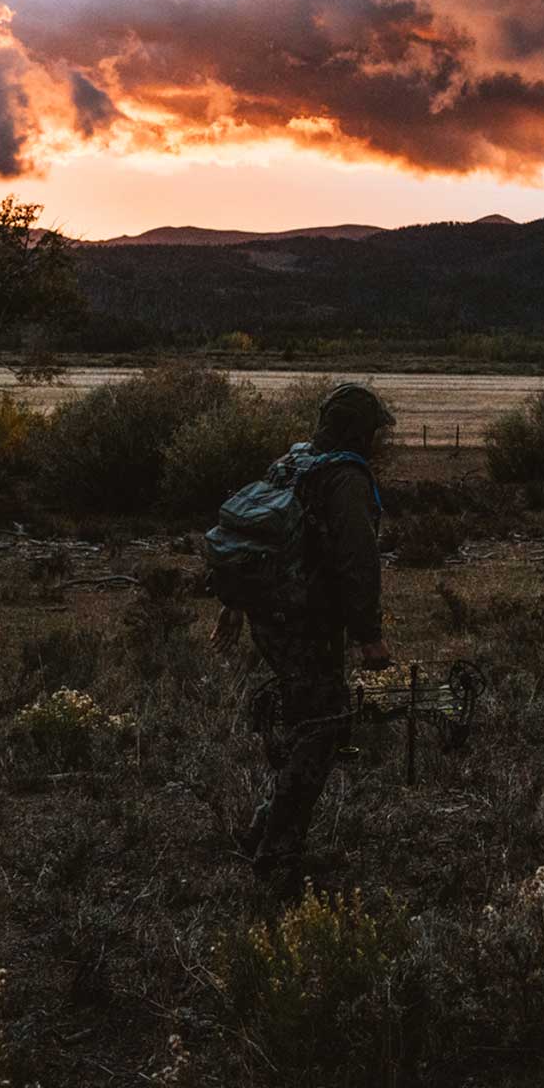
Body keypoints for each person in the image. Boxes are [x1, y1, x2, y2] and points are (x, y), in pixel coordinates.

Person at [221, 380, 394, 889]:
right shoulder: (345, 479)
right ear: (360, 432)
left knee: (306, 723)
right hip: (307, 621)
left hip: (269, 616)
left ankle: (262, 829)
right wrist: (369, 636)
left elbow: (248, 536)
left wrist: (232, 604)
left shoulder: (291, 462)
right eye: (375, 431)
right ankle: (278, 853)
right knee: (321, 729)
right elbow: (356, 563)